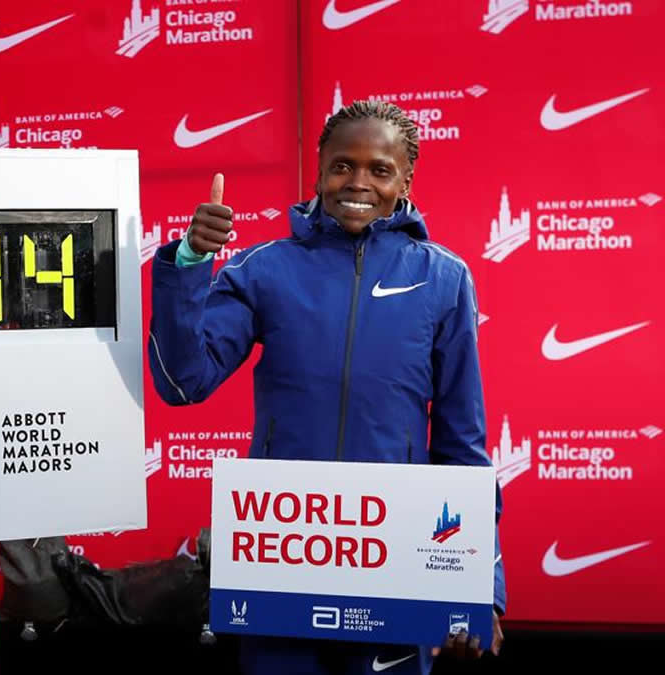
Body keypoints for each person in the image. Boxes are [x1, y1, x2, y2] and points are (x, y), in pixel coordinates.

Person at [147, 100, 505, 675]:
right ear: (318, 171)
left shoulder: (443, 277)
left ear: (405, 181)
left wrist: (481, 584)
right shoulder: (263, 269)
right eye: (342, 166)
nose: (358, 182)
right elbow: (181, 381)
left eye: (379, 169)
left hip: (396, 560)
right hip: (284, 558)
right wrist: (191, 260)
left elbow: (462, 442)